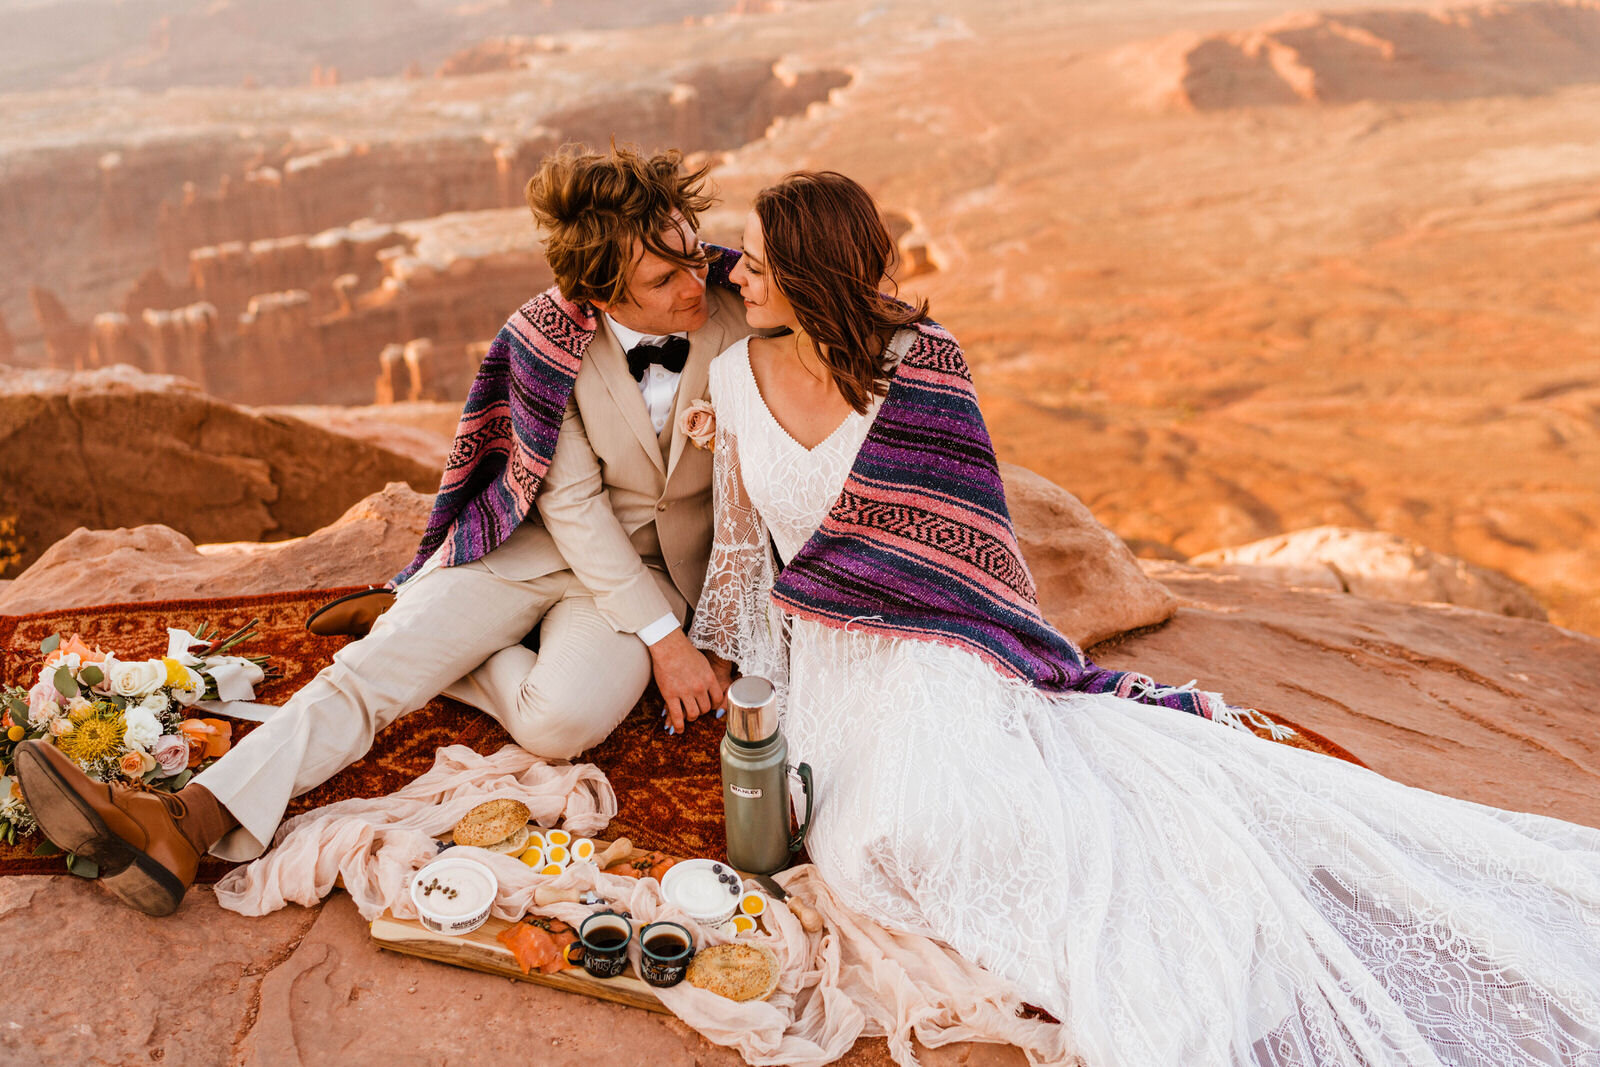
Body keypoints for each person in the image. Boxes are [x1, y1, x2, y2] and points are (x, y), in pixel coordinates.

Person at [689, 170, 1600, 1066]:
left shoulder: (923, 365)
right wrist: (749, 678)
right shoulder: (733, 379)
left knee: (943, 815)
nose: (739, 276)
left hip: (946, 634)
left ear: (813, 279)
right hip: (829, 649)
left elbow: (969, 540)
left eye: (761, 266)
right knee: (864, 844)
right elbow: (742, 548)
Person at [16, 144, 743, 916]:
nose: (694, 283)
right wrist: (668, 643)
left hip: (648, 577)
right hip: (535, 550)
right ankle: (184, 822)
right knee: (364, 682)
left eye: (694, 257)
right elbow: (572, 507)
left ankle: (424, 635)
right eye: (665, 280)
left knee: (559, 723)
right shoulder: (546, 338)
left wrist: (707, 635)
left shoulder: (740, 314)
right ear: (595, 294)